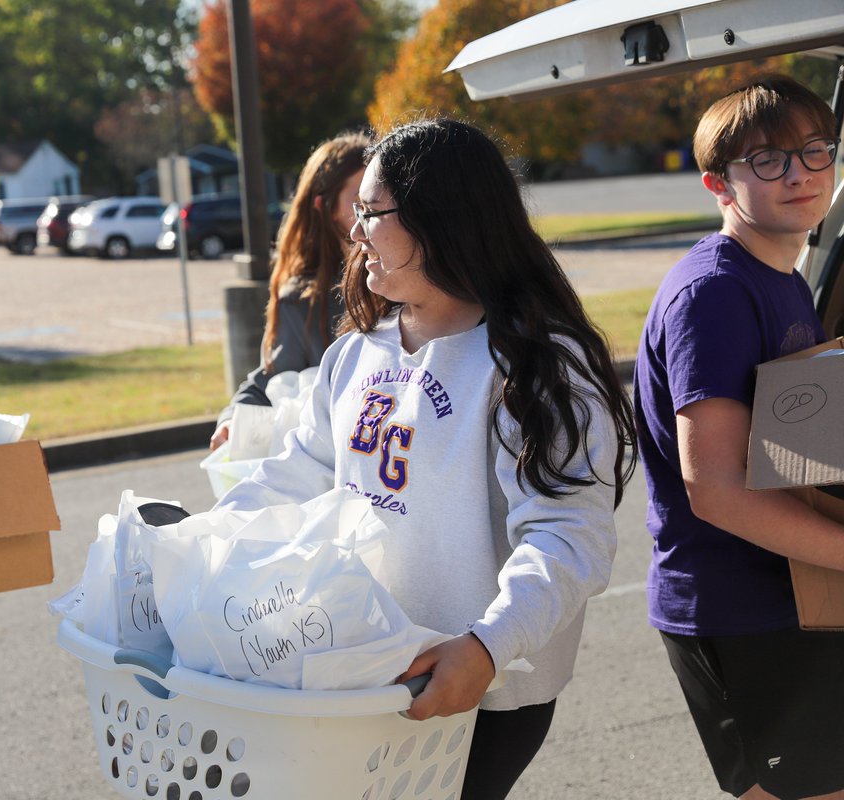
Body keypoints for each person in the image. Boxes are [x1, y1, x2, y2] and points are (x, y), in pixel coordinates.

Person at [216, 117, 636, 798]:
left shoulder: (534, 363)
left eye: (372, 213)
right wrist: (197, 543)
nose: (355, 234)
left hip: (481, 693)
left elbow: (569, 536)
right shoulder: (356, 351)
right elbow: (297, 474)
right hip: (363, 680)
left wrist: (486, 646)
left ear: (442, 222)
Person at [634, 75, 844, 800]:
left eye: (815, 151)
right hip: (738, 611)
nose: (800, 174)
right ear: (718, 184)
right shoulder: (714, 293)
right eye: (769, 160)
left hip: (794, 594)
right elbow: (717, 490)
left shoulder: (781, 276)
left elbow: (798, 449)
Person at [209, 132, 370, 450]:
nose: (372, 212)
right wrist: (232, 421)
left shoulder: (412, 276)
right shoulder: (303, 301)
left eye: (381, 197)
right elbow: (272, 382)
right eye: (359, 202)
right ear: (324, 207)